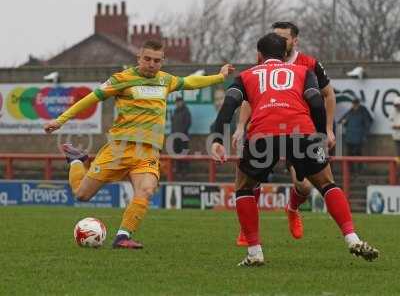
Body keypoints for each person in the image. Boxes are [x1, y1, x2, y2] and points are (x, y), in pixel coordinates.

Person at [44, 40, 234, 249]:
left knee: (146, 190)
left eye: (156, 60)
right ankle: (78, 162)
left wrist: (220, 76)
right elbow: (90, 99)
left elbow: (190, 82)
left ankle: (123, 236)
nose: (151, 64)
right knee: (82, 194)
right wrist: (60, 120)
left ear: (162, 61)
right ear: (139, 58)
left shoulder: (166, 80)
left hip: (148, 152)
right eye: (147, 59)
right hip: (119, 149)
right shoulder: (121, 79)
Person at [210, 33, 379, 266]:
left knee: (244, 187)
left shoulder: (247, 75)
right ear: (284, 54)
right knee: (327, 183)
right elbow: (316, 100)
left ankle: (254, 252)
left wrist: (218, 138)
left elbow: (229, 104)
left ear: (258, 55)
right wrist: (320, 134)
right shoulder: (302, 72)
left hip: (263, 135)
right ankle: (352, 238)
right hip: (302, 132)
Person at [233, 22, 337, 246]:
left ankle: (292, 209)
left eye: (285, 37)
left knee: (304, 187)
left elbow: (328, 95)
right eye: (276, 37)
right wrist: (241, 126)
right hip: (266, 130)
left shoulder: (309, 65)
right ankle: (247, 230)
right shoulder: (263, 63)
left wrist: (327, 129)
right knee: (251, 180)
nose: (280, 41)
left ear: (295, 40)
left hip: (299, 132)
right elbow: (250, 97)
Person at [340, 98, 373, 172]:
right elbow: (342, 121)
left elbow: (368, 123)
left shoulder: (363, 111)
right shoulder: (350, 111)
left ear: (358, 104)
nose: (354, 105)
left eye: (356, 103)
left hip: (359, 137)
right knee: (349, 154)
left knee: (358, 154)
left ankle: (359, 170)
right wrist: (343, 122)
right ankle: (350, 170)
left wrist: (365, 135)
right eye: (353, 103)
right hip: (349, 137)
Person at [171, 96, 192, 173]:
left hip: (183, 137)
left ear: (182, 102)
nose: (177, 103)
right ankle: (178, 170)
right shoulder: (175, 111)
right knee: (176, 154)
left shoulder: (186, 111)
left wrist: (181, 133)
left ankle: (186, 170)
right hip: (175, 137)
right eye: (176, 102)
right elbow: (173, 124)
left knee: (184, 153)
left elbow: (188, 123)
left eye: (179, 101)